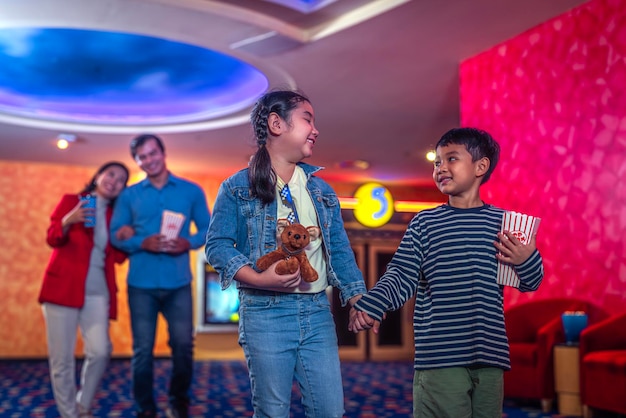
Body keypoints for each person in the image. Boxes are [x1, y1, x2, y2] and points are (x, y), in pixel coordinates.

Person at [348, 127, 544, 418]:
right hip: (441, 356)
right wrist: (374, 305)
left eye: (451, 159)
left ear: (481, 166)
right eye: (437, 162)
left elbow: (531, 281)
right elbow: (401, 274)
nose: (440, 167)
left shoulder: (504, 223)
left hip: (490, 354)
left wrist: (528, 258)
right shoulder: (425, 223)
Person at [204, 89, 367, 418]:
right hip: (265, 314)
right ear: (277, 124)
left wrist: (357, 298)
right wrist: (259, 279)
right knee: (273, 412)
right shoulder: (238, 187)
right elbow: (217, 246)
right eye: (308, 119)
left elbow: (338, 250)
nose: (316, 129)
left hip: (318, 313)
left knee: (329, 411)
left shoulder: (322, 191)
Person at [109, 134, 211, 418]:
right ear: (137, 162)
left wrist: (187, 242)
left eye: (153, 153)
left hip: (178, 283)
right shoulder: (129, 195)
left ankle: (178, 400)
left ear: (163, 154)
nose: (149, 160)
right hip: (140, 284)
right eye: (142, 157)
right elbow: (116, 234)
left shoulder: (191, 191)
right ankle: (146, 407)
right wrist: (141, 242)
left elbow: (207, 229)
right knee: (142, 350)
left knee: (183, 346)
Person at [39, 161, 130, 418]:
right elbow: (52, 238)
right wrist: (69, 220)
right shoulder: (72, 201)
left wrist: (124, 236)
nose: (114, 180)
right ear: (98, 175)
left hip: (98, 292)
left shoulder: (116, 216)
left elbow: (118, 257)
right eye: (110, 174)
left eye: (121, 179)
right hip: (62, 288)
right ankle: (69, 413)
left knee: (101, 351)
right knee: (62, 359)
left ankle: (83, 405)